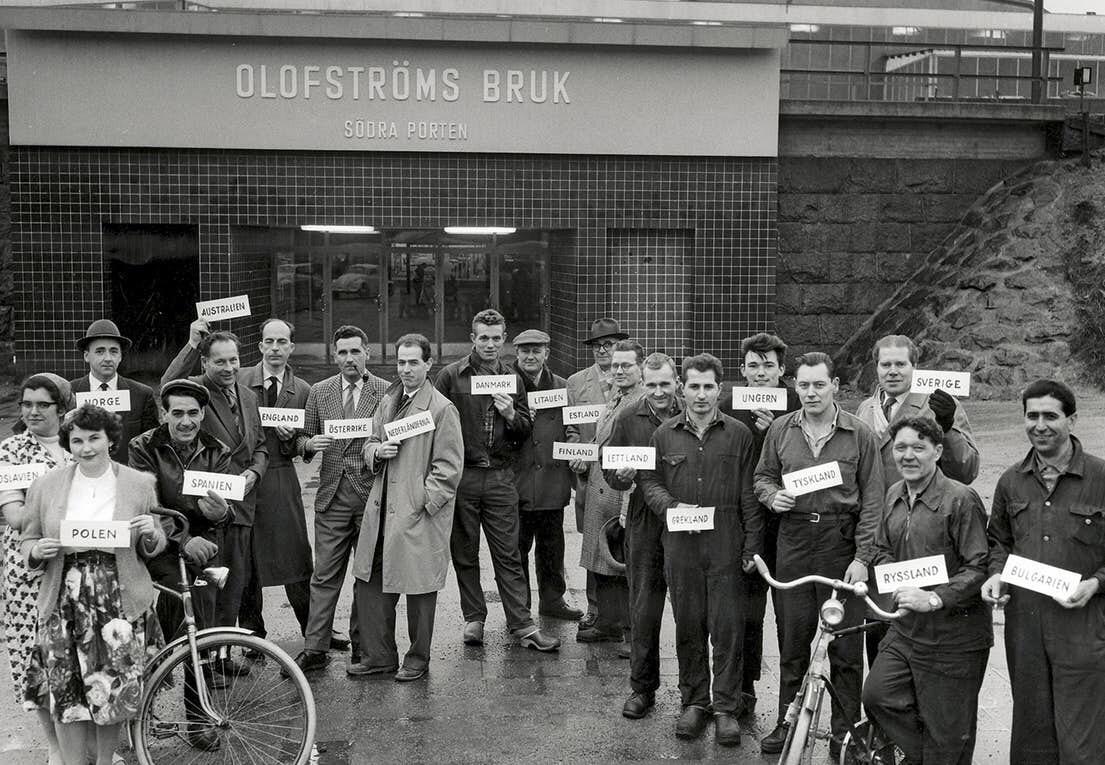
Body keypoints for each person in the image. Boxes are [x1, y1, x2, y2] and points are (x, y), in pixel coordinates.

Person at [754, 352, 884, 758]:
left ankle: (845, 734)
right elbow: (762, 476)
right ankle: (787, 722)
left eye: (818, 385)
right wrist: (771, 495)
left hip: (839, 541)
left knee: (844, 647)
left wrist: (862, 557)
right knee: (793, 640)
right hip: (793, 540)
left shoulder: (859, 433)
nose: (810, 393)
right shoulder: (780, 429)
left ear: (835, 387)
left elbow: (874, 500)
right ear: (795, 386)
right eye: (804, 385)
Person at [22, 404, 167, 765]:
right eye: (77, 441)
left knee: (111, 689)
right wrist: (37, 549)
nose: (85, 448)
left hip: (117, 595)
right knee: (65, 689)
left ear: (110, 440)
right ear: (68, 443)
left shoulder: (138, 483)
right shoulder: (46, 485)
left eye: (94, 439)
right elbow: (28, 540)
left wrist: (151, 533)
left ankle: (104, 761)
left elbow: (153, 546)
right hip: (63, 596)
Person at [636, 353, 763, 745]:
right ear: (682, 389)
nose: (702, 394)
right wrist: (672, 507)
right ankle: (695, 702)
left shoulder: (740, 434)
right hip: (681, 543)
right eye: (694, 386)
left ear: (720, 389)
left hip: (727, 540)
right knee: (689, 624)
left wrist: (752, 545)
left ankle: (726, 707)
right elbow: (649, 481)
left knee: (727, 628)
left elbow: (749, 495)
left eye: (709, 387)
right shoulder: (664, 434)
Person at [982, 379, 1105, 765]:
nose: (1040, 425)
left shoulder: (1101, 479)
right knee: (1032, 735)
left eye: (1050, 415)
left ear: (1072, 419)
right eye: (1031, 416)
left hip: (1084, 625)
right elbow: (997, 541)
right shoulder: (1010, 481)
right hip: (1026, 625)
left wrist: (1096, 584)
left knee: (1081, 741)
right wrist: (995, 574)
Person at [862, 417, 991, 765]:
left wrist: (933, 597)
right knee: (877, 695)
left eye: (918, 447)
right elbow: (881, 547)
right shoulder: (894, 494)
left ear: (937, 451)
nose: (908, 455)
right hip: (907, 632)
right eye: (901, 447)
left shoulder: (961, 499)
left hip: (955, 639)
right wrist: (890, 579)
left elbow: (979, 566)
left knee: (948, 732)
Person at [434, 309, 559, 651]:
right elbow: (435, 424)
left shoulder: (513, 378)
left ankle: (522, 624)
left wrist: (509, 414)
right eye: (483, 338)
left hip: (502, 476)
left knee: (508, 553)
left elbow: (524, 429)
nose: (490, 344)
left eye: (495, 338)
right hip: (465, 476)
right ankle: (474, 617)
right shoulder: (451, 375)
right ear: (472, 339)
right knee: (465, 551)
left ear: (503, 340)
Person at [351, 334, 464, 681]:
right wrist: (375, 452)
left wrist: (423, 502)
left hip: (415, 515)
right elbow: (369, 442)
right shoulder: (388, 401)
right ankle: (380, 656)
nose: (406, 369)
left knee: (419, 590)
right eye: (401, 362)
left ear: (429, 364)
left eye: (414, 362)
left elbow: (449, 469)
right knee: (370, 585)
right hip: (383, 510)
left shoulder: (442, 408)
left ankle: (418, 657)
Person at [129, 379, 232, 752]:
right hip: (159, 546)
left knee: (198, 633)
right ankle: (139, 708)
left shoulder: (217, 449)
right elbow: (148, 504)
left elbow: (224, 503)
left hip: (202, 549)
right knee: (158, 629)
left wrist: (223, 513)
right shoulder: (142, 447)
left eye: (193, 413)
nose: (186, 421)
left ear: (202, 414)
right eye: (177, 413)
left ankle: (197, 720)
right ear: (163, 413)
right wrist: (184, 539)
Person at [161, 321, 268, 653]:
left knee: (233, 587)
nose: (229, 368)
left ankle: (221, 656)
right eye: (220, 361)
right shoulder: (196, 392)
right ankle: (202, 660)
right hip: (206, 508)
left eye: (234, 360)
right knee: (206, 588)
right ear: (205, 363)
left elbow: (261, 445)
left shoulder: (248, 396)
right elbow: (167, 385)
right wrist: (192, 344)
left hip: (242, 507)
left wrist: (255, 473)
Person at [291, 325, 390, 673]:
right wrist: (307, 445)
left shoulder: (385, 391)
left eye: (356, 351)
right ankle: (315, 647)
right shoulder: (320, 392)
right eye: (343, 352)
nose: (350, 358)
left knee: (367, 575)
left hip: (369, 496)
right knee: (324, 575)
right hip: (332, 495)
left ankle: (363, 645)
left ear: (368, 353)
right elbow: (302, 437)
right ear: (334, 356)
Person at [721, 332, 801, 721]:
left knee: (789, 614)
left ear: (782, 370)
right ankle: (744, 688)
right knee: (746, 612)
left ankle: (793, 699)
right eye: (753, 365)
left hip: (788, 524)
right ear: (742, 370)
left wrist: (775, 431)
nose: (761, 373)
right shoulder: (729, 404)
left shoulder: (798, 403)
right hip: (745, 524)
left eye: (769, 365)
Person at [0, 374, 74, 764]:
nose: (31, 411)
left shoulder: (79, 442)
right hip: (32, 569)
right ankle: (55, 746)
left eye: (41, 404)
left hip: (78, 561)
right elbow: (14, 515)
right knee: (38, 660)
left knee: (79, 655)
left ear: (61, 408)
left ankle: (88, 745)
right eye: (26, 404)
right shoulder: (11, 450)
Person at [604, 351, 681, 720]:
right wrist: (619, 475)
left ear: (676, 381)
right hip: (644, 520)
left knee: (689, 609)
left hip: (684, 518)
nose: (658, 391)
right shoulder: (628, 415)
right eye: (651, 385)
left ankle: (693, 693)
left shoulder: (689, 411)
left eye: (665, 383)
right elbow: (609, 463)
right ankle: (641, 688)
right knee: (644, 606)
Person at [237, 318, 313, 646]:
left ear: (291, 348)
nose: (275, 349)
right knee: (246, 560)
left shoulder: (304, 390)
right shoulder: (239, 380)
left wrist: (294, 438)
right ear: (259, 346)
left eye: (282, 342)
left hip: (281, 477)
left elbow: (305, 442)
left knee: (294, 556)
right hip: (246, 479)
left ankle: (314, 631)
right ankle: (253, 635)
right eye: (269, 342)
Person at [577, 340, 644, 650]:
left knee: (622, 563)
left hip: (622, 491)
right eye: (615, 365)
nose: (618, 370)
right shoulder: (617, 397)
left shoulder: (641, 403)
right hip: (600, 488)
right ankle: (608, 624)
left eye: (626, 365)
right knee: (602, 560)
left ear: (640, 367)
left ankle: (631, 634)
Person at [512, 328, 582, 621]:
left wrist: (576, 446)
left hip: (553, 482)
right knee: (516, 550)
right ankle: (519, 606)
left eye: (536, 351)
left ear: (546, 354)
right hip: (517, 483)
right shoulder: (505, 386)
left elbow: (573, 428)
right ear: (516, 354)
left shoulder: (563, 388)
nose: (530, 356)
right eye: (525, 351)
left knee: (552, 547)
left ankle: (553, 600)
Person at [854, 335, 979, 485]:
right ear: (877, 368)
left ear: (914, 366)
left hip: (921, 504)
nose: (893, 371)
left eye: (900, 364)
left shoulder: (939, 406)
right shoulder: (865, 409)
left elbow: (966, 472)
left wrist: (948, 429)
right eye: (886, 365)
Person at [567, 317, 627, 626]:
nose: (602, 351)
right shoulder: (576, 383)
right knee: (593, 543)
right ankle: (595, 609)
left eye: (609, 345)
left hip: (625, 478)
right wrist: (576, 453)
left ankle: (623, 614)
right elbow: (572, 429)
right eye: (597, 346)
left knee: (625, 545)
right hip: (591, 478)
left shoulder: (632, 381)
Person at [69, 319, 158, 465]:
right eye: (100, 351)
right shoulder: (70, 393)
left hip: (126, 476)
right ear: (86, 356)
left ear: (121, 356)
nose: (108, 358)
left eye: (113, 351)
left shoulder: (141, 395)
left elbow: (153, 444)